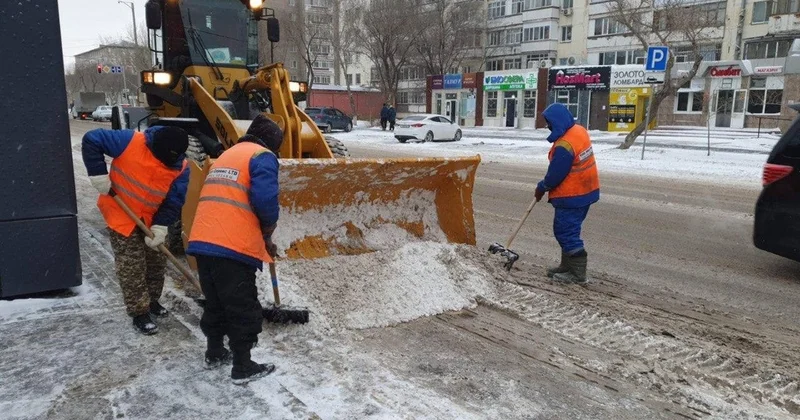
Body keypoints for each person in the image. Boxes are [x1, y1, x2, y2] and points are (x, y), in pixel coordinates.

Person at [186, 114, 282, 385]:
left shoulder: (228, 155)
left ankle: (215, 351)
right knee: (242, 306)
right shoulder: (262, 156)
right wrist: (268, 229)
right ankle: (243, 365)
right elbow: (265, 200)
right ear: (272, 143)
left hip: (203, 241)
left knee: (215, 302)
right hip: (231, 245)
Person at [82, 126, 190, 334]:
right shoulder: (129, 140)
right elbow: (91, 138)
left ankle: (152, 301)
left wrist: (160, 225)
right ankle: (139, 312)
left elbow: (174, 200)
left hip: (151, 218)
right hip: (121, 212)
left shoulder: (182, 167)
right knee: (132, 266)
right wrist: (97, 174)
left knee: (157, 262)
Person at [534, 103, 600, 285]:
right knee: (570, 229)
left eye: (549, 123)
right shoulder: (578, 131)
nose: (548, 126)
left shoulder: (564, 145)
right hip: (587, 190)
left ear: (557, 122)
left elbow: (555, 175)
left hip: (573, 195)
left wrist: (542, 186)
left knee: (565, 232)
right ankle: (567, 266)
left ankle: (577, 275)